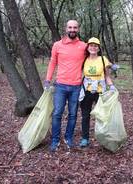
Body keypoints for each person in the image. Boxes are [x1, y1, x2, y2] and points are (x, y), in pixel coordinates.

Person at [44, 20, 87, 151]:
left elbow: (93, 59)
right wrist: (47, 80)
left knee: (73, 114)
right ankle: (55, 140)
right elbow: (52, 63)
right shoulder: (57, 45)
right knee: (57, 113)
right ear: (66, 28)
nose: (72, 29)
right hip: (60, 86)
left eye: (75, 27)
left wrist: (108, 66)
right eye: (70, 27)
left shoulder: (84, 46)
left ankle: (68, 138)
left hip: (76, 86)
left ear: (78, 29)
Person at [79, 37, 116, 147]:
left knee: (102, 115)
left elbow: (107, 76)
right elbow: (80, 75)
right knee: (85, 115)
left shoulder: (103, 59)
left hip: (100, 92)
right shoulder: (84, 60)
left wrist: (112, 86)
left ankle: (104, 137)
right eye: (91, 45)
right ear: (88, 47)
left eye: (95, 46)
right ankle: (85, 138)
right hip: (86, 91)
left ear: (99, 48)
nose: (93, 48)